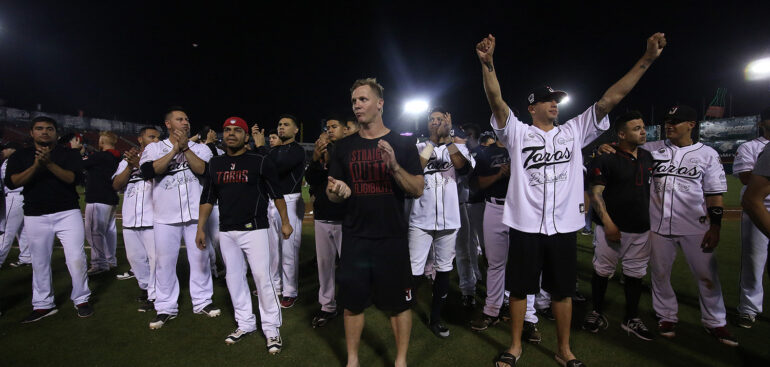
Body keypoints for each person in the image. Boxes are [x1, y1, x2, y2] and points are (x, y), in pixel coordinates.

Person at [476, 32, 666, 366]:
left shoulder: (574, 131)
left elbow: (611, 98)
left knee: (563, 290)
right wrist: (488, 65)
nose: (555, 104)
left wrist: (647, 58)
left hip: (563, 226)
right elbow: (496, 102)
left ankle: (564, 350)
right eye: (548, 100)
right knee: (520, 290)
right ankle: (516, 345)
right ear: (532, 106)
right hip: (525, 224)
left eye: (557, 100)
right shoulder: (518, 133)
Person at [327, 78, 423, 367]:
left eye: (363, 99)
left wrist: (394, 167)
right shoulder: (342, 147)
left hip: (391, 238)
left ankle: (401, 360)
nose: (357, 105)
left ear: (380, 103)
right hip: (356, 237)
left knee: (399, 304)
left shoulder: (404, 144)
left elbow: (417, 189)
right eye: (354, 101)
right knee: (352, 303)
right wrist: (337, 192)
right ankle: (353, 360)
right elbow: (333, 193)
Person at [641, 105, 736, 346]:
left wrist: (715, 228)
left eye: (677, 121)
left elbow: (714, 195)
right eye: (668, 120)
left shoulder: (707, 154)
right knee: (660, 274)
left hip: (696, 226)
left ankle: (715, 322)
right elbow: (625, 150)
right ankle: (666, 315)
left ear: (691, 125)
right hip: (658, 226)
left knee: (707, 276)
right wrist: (607, 146)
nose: (669, 125)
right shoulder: (652, 149)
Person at [196, 117, 291, 353]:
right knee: (234, 279)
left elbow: (276, 194)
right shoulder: (215, 164)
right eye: (227, 130)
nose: (231, 134)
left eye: (237, 130)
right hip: (227, 231)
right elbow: (208, 197)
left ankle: (271, 329)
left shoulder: (259, 161)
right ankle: (245, 323)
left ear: (246, 136)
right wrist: (200, 227)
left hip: (255, 228)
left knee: (262, 279)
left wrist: (286, 222)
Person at [139, 107, 220, 329]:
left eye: (187, 119)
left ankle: (202, 302)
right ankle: (165, 307)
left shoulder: (201, 149)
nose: (185, 122)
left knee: (201, 260)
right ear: (168, 124)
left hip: (196, 215)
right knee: (164, 264)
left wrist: (185, 148)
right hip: (164, 217)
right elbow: (148, 171)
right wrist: (175, 150)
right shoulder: (154, 148)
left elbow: (205, 171)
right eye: (179, 119)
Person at [6, 116, 93, 322]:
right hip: (35, 214)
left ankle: (81, 298)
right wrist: (37, 165)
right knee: (40, 261)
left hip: (67, 212)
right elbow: (12, 182)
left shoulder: (68, 154)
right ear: (31, 132)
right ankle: (43, 304)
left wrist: (49, 164)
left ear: (56, 133)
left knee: (76, 258)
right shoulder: (21, 156)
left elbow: (73, 179)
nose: (44, 132)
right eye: (39, 128)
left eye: (49, 129)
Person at [581, 111, 654, 341]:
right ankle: (596, 311)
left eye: (643, 127)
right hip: (611, 229)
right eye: (636, 128)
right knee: (602, 271)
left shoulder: (648, 156)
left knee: (635, 275)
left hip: (642, 228)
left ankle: (631, 318)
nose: (642, 131)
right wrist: (609, 223)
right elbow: (595, 193)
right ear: (621, 134)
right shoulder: (605, 158)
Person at [470, 133, 541, 344]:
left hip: (523, 210)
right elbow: (476, 184)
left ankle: (528, 317)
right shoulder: (487, 153)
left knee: (526, 265)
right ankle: (492, 310)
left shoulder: (527, 148)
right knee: (495, 263)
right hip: (494, 207)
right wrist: (500, 174)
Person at [409, 106, 472, 338]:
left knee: (444, 269)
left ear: (448, 120)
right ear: (427, 124)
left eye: (440, 119)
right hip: (421, 220)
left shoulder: (459, 148)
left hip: (450, 220)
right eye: (432, 120)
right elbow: (416, 168)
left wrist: (447, 141)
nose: (435, 122)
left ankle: (435, 318)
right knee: (414, 271)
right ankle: (404, 311)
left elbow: (463, 169)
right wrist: (433, 142)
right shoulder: (418, 147)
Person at [253, 115, 306, 308]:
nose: (281, 128)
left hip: (290, 201)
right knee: (272, 249)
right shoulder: (275, 150)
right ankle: (274, 285)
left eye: (286, 125)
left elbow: (274, 169)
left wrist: (260, 147)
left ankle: (290, 291)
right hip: (271, 201)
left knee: (289, 249)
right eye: (279, 124)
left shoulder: (297, 151)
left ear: (295, 130)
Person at [112, 126, 160, 312]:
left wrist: (140, 163)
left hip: (153, 218)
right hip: (131, 218)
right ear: (140, 139)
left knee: (156, 260)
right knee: (135, 259)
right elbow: (116, 184)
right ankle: (148, 289)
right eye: (151, 137)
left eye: (157, 137)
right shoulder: (126, 162)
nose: (156, 140)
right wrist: (130, 166)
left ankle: (156, 295)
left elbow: (159, 178)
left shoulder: (159, 159)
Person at [305, 117, 347, 327]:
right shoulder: (321, 154)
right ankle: (328, 306)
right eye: (327, 127)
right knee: (324, 266)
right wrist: (315, 158)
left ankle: (351, 302)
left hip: (345, 218)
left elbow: (339, 172)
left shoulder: (347, 151)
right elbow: (311, 179)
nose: (329, 130)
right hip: (322, 216)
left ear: (345, 130)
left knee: (349, 266)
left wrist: (329, 153)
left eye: (334, 127)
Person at [733, 107, 770, 328]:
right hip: (759, 207)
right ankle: (749, 309)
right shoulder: (751, 147)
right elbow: (747, 178)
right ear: (762, 124)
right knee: (754, 261)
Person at [84, 131, 122, 275]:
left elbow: (81, 165)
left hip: (98, 197)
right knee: (109, 231)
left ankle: (99, 263)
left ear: (101, 142)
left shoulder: (100, 156)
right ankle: (110, 260)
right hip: (111, 197)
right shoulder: (117, 157)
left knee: (94, 232)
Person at [0, 142, 31, 268]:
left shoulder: (11, 161)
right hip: (22, 197)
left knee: (6, 231)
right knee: (22, 229)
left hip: (13, 197)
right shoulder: (22, 160)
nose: (3, 151)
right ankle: (26, 257)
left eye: (6, 148)